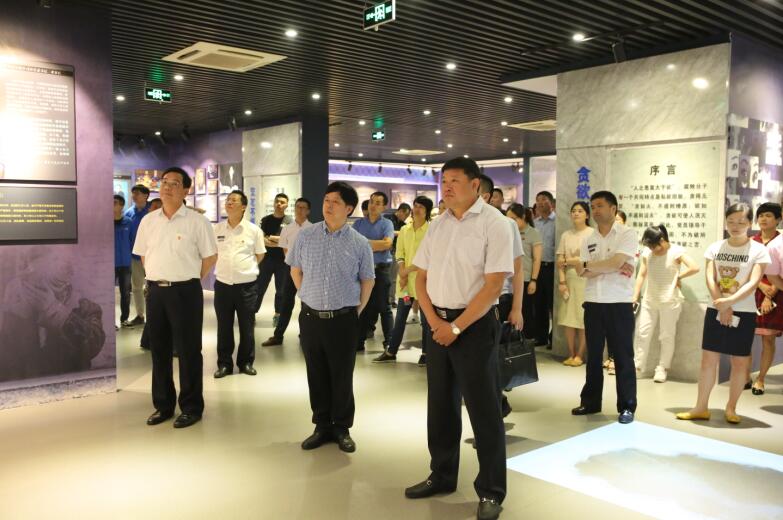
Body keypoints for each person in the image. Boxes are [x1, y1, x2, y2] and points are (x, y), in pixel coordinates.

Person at [405, 157, 513, 520]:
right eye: (444, 180)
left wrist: (456, 327)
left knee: (484, 410)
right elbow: (420, 277)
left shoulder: (495, 223)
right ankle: (442, 474)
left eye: (454, 180)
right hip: (437, 323)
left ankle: (492, 491)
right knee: (440, 405)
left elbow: (494, 285)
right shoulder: (439, 224)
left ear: (475, 185)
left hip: (475, 327)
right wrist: (435, 321)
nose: (446, 186)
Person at [287, 181, 374, 453]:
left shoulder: (360, 243)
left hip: (343, 319)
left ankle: (342, 427)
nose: (328, 205)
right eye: (326, 200)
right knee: (316, 373)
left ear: (349, 208)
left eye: (335, 202)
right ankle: (321, 425)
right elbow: (295, 269)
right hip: (311, 317)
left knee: (342, 375)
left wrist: (356, 311)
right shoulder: (306, 235)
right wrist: (307, 296)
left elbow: (367, 281)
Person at [133, 167, 217, 429]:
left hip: (185, 292)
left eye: (175, 183)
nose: (167, 187)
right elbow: (143, 255)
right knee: (159, 350)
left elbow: (210, 257)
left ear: (186, 190)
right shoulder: (149, 221)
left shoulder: (197, 222)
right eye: (164, 182)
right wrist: (157, 275)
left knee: (189, 351)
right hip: (156, 291)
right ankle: (163, 405)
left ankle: (191, 407)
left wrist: (188, 278)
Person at [677, 203, 769, 424]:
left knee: (740, 362)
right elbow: (710, 277)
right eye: (731, 221)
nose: (735, 226)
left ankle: (731, 408)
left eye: (741, 222)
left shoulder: (758, 250)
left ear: (750, 223)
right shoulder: (715, 247)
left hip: (744, 312)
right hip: (716, 308)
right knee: (708, 360)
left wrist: (729, 302)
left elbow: (754, 282)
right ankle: (701, 407)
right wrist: (723, 305)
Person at [573, 191, 638, 424]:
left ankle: (627, 406)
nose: (595, 210)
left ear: (613, 208)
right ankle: (590, 402)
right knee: (593, 356)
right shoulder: (588, 238)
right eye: (593, 206)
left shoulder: (627, 233)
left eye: (600, 205)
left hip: (619, 303)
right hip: (593, 302)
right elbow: (581, 271)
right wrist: (609, 266)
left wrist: (593, 265)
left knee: (622, 356)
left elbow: (615, 262)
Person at [632, 224, 699, 382]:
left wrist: (679, 277)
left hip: (670, 301)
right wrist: (635, 295)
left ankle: (662, 368)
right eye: (649, 246)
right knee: (642, 333)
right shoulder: (647, 252)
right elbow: (641, 275)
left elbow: (695, 267)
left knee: (667, 336)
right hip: (649, 299)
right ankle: (637, 366)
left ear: (662, 240)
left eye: (654, 246)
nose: (652, 249)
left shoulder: (676, 251)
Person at [213, 190, 266, 378]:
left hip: (247, 287)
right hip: (222, 285)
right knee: (224, 327)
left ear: (243, 206)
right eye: (228, 200)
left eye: (234, 200)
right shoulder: (217, 229)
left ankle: (246, 362)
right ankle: (224, 364)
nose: (229, 202)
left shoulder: (254, 230)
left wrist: (244, 269)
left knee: (247, 326)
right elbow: (213, 254)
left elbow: (260, 254)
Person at [374, 197, 432, 366]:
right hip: (405, 285)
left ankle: (426, 353)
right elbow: (399, 252)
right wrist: (402, 270)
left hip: (424, 284)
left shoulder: (431, 231)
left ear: (427, 211)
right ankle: (391, 351)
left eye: (421, 207)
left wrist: (407, 270)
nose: (417, 209)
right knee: (400, 318)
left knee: (425, 321)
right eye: (415, 206)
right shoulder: (405, 230)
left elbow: (429, 257)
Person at [261, 197, 312, 347]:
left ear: (308, 211)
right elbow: (285, 250)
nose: (300, 210)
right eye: (298, 207)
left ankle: (305, 335)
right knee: (286, 303)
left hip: (308, 272)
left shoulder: (313, 229)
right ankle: (278, 336)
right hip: (290, 271)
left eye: (303, 207)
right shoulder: (287, 229)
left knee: (306, 306)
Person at [353, 191, 395, 352]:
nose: (373, 205)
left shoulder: (387, 224)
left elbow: (387, 244)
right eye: (371, 202)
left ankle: (389, 343)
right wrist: (376, 244)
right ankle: (358, 342)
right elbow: (352, 245)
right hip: (362, 272)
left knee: (384, 307)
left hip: (381, 270)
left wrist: (363, 244)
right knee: (362, 306)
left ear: (384, 207)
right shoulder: (358, 224)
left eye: (378, 203)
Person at [749, 203, 783, 395]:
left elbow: (779, 274)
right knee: (744, 339)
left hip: (776, 294)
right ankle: (744, 376)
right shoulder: (750, 242)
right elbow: (745, 270)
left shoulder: (780, 242)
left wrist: (769, 294)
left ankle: (760, 379)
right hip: (750, 293)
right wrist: (760, 286)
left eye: (768, 215)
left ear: (778, 219)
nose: (763, 219)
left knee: (768, 340)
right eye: (760, 215)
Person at [556, 202, 593, 367]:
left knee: (583, 318)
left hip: (586, 278)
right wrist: (562, 281)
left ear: (587, 215)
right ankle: (570, 353)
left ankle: (580, 354)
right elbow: (559, 261)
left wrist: (568, 260)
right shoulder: (566, 235)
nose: (576, 214)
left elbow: (588, 260)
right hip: (569, 279)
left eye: (580, 211)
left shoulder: (592, 234)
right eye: (573, 211)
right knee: (568, 318)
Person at [254, 193, 293, 323]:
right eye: (277, 201)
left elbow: (289, 240)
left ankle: (278, 315)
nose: (279, 204)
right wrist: (279, 241)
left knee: (281, 290)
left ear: (287, 205)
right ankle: (252, 313)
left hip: (283, 261)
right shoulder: (265, 220)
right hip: (266, 260)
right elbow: (261, 239)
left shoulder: (290, 221)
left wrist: (272, 238)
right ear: (274, 203)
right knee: (259, 288)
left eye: (282, 202)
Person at [507, 203, 542, 340]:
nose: (510, 222)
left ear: (523, 217)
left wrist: (533, 280)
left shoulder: (533, 233)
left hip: (526, 279)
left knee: (526, 312)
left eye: (514, 219)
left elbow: (537, 259)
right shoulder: (506, 232)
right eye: (507, 219)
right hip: (508, 281)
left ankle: (526, 341)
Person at [533, 191, 556, 348]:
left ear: (551, 203)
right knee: (539, 303)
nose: (540, 203)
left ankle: (554, 337)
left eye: (544, 199)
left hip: (551, 268)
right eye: (538, 200)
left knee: (552, 304)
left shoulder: (558, 222)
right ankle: (540, 337)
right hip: (537, 268)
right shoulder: (534, 223)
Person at [125, 184, 150, 327]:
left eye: (137, 193)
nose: (134, 196)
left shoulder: (153, 211)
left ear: (145, 195)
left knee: (154, 287)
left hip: (153, 256)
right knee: (136, 287)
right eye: (133, 193)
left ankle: (155, 316)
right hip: (135, 257)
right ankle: (140, 315)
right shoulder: (129, 213)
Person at [114, 195, 133, 330]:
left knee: (125, 293)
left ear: (121, 205)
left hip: (125, 263)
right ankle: (110, 321)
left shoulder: (128, 222)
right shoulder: (105, 222)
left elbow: (132, 241)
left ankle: (124, 319)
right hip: (110, 264)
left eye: (114, 203)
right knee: (108, 293)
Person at [387, 203, 412, 306]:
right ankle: (390, 300)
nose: (406, 217)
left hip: (401, 255)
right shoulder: (387, 219)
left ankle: (392, 300)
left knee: (396, 278)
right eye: (405, 215)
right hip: (388, 252)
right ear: (400, 211)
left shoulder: (404, 225)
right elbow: (388, 233)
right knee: (390, 278)